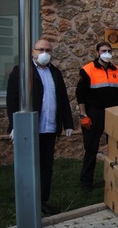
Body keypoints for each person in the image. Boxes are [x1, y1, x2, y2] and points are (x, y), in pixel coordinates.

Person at [6, 38, 74, 215]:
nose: (44, 53)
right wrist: (14, 125)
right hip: (29, 129)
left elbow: (63, 99)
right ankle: (26, 201)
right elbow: (12, 100)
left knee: (46, 166)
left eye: (48, 50)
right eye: (41, 49)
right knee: (28, 166)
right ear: (33, 51)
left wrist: (68, 123)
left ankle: (42, 201)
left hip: (49, 128)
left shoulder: (55, 73)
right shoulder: (21, 71)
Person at [76, 42, 118, 193]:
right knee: (91, 148)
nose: (107, 53)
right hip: (95, 112)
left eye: (109, 51)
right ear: (97, 53)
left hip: (114, 112)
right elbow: (80, 95)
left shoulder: (116, 70)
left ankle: (112, 179)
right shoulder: (87, 69)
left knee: (116, 148)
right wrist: (83, 115)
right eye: (104, 51)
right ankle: (86, 182)